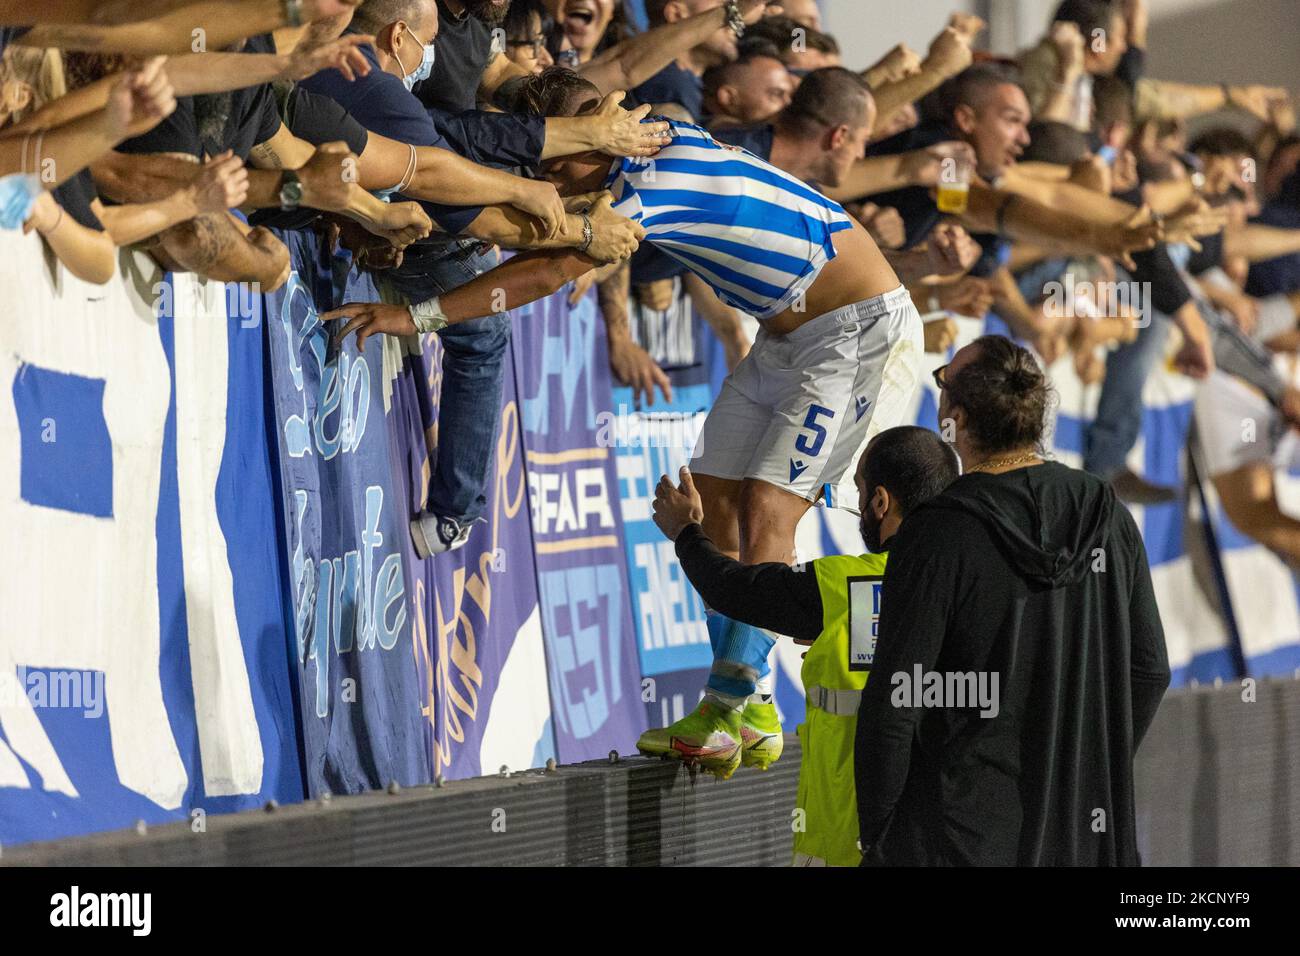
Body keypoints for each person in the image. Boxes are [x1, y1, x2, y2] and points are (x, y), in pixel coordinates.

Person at [326, 66, 929, 776]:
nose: (554, 183)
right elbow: (558, 238)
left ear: (587, 145)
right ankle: (754, 705)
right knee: (712, 497)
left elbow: (547, 271)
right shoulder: (645, 147)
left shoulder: (651, 176)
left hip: (858, 332)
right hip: (788, 336)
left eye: (554, 168)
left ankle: (729, 704)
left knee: (769, 506)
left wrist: (416, 315)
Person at [855, 335, 1170, 866]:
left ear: (954, 414)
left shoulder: (937, 532)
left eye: (942, 382)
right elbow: (1150, 670)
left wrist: (880, 840)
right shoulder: (1105, 512)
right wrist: (1089, 769)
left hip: (960, 838)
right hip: (1082, 836)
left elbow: (893, 706)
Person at [647, 426, 959, 864]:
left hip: (840, 840)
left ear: (881, 502)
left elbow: (735, 590)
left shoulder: (843, 584)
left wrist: (687, 532)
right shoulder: (970, 584)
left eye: (860, 494)